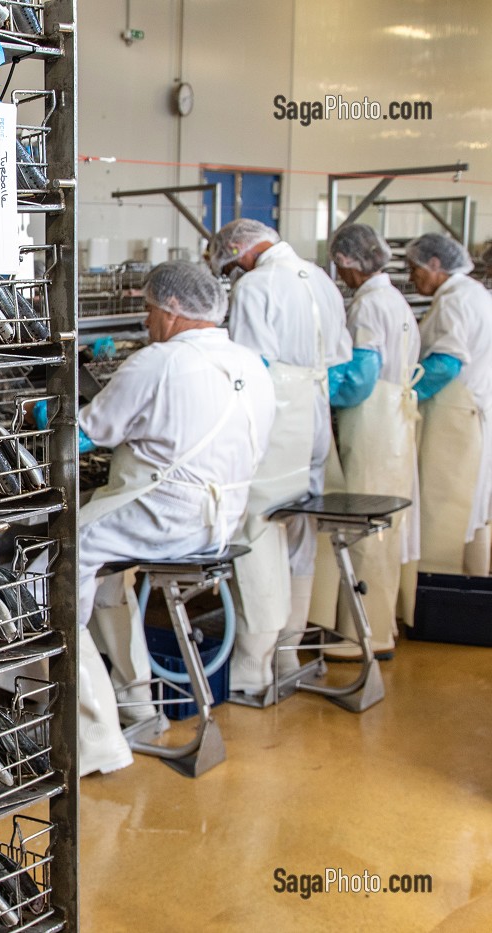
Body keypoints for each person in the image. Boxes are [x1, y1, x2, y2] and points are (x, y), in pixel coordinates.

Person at [75, 261, 274, 775]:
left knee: (58, 556)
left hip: (165, 517)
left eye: (148, 310)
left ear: (173, 309)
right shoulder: (252, 364)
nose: (146, 321)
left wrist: (43, 420)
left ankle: (94, 734)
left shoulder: (158, 363)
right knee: (107, 575)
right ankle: (136, 700)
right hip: (221, 521)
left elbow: (90, 432)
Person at [210, 219, 352, 694]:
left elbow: (251, 369)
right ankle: (291, 651)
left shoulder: (255, 286)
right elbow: (339, 356)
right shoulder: (321, 278)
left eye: (232, 265)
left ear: (239, 252)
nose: (234, 274)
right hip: (315, 411)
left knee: (260, 525)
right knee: (300, 525)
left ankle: (254, 664)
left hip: (278, 415)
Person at [323, 223, 420, 658]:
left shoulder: (367, 307)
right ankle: (380, 625)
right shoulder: (394, 299)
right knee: (386, 527)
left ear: (346, 263)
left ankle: (360, 634)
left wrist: (316, 388)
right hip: (394, 424)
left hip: (373, 425)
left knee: (364, 530)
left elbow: (360, 381)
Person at [406, 233, 492, 576]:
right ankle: (474, 584)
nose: (413, 277)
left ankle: (441, 592)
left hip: (454, 417)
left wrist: (405, 396)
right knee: (474, 508)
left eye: (415, 270)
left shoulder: (455, 300)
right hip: (472, 414)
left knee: (445, 510)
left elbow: (446, 363)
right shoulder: (475, 294)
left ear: (436, 264)